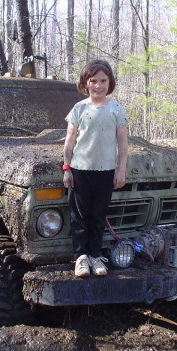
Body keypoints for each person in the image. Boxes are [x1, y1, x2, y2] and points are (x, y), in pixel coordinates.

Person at [62, 60, 129, 278]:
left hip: (105, 171)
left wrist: (121, 171)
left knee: (98, 216)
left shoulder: (116, 109)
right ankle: (81, 258)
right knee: (80, 216)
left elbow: (123, 145)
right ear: (85, 83)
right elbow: (69, 141)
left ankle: (94, 255)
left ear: (110, 83)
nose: (98, 86)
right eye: (93, 81)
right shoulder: (79, 108)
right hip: (81, 170)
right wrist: (67, 168)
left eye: (103, 81)